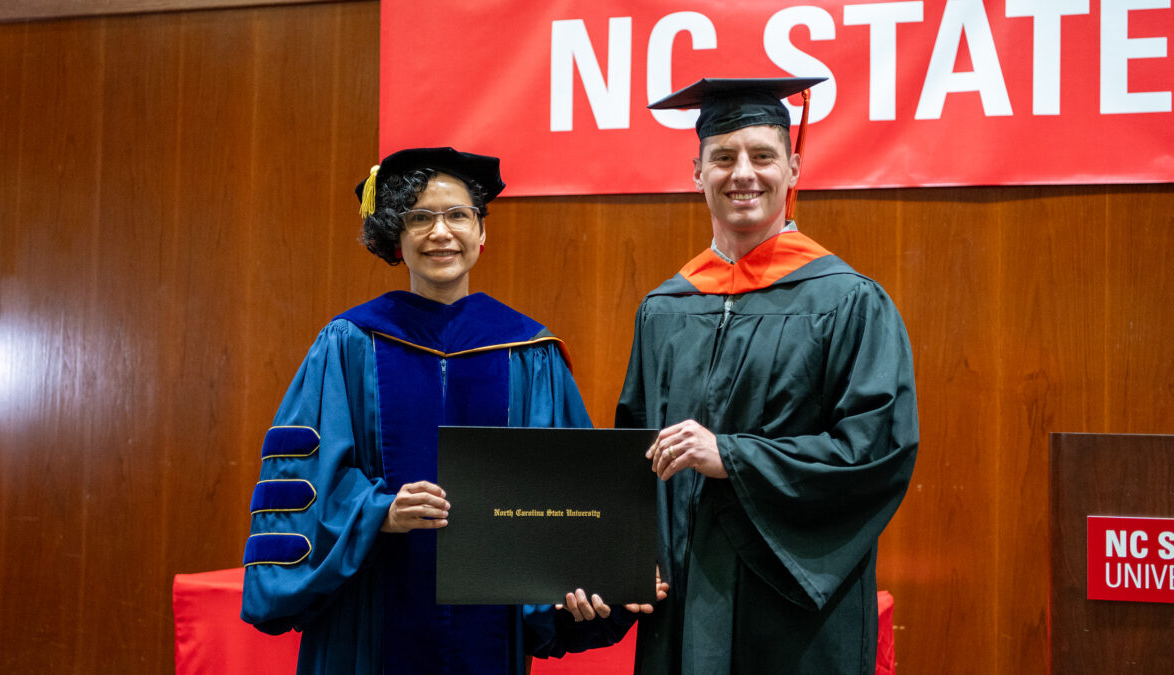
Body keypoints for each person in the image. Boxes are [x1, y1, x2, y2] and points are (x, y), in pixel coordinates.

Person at [240, 147, 639, 674]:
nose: (440, 232)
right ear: (396, 238)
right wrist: (379, 511)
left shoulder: (528, 350)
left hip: (489, 619)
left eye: (457, 215)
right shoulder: (349, 343)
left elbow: (568, 482)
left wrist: (599, 571)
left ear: (481, 231)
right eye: (420, 218)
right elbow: (305, 476)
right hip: (371, 611)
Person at [615, 79, 919, 674]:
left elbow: (878, 449)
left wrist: (731, 455)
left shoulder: (849, 301)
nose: (742, 174)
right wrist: (628, 553)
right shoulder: (665, 309)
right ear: (696, 172)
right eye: (723, 158)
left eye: (763, 155)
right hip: (681, 595)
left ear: (794, 168)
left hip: (792, 605)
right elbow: (633, 447)